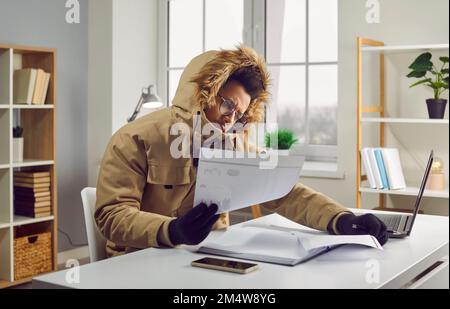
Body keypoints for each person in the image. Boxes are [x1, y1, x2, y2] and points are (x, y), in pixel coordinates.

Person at [95, 46, 388, 258]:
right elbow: (112, 215)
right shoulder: (134, 138)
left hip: (204, 259)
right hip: (140, 261)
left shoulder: (232, 143)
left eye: (239, 113)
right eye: (227, 105)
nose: (230, 119)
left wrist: (341, 218)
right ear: (202, 94)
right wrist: (171, 230)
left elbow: (283, 191)